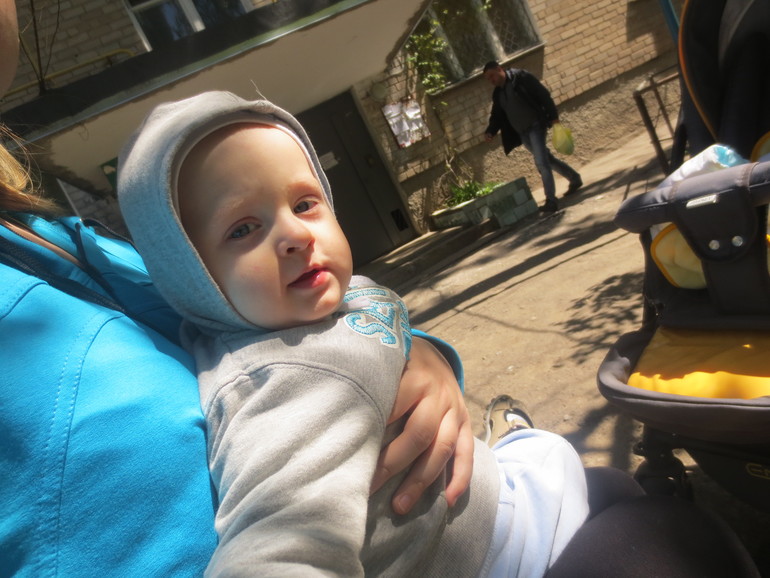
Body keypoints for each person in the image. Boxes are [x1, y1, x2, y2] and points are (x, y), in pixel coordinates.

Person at [116, 91, 592, 577]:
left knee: (547, 453)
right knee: (559, 457)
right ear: (191, 277)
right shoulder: (281, 384)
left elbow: (383, 326)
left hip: (484, 495)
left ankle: (515, 438)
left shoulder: (331, 298)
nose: (297, 235)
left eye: (305, 203)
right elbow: (281, 546)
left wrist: (429, 352)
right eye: (243, 229)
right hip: (497, 551)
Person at [483, 60, 582, 213]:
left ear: (499, 69)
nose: (491, 80)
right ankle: (574, 178)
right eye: (488, 79)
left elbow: (543, 95)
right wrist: (490, 131)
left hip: (536, 125)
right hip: (522, 132)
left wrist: (553, 117)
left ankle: (551, 200)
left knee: (541, 162)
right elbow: (497, 115)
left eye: (492, 76)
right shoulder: (498, 93)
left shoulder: (521, 77)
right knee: (547, 159)